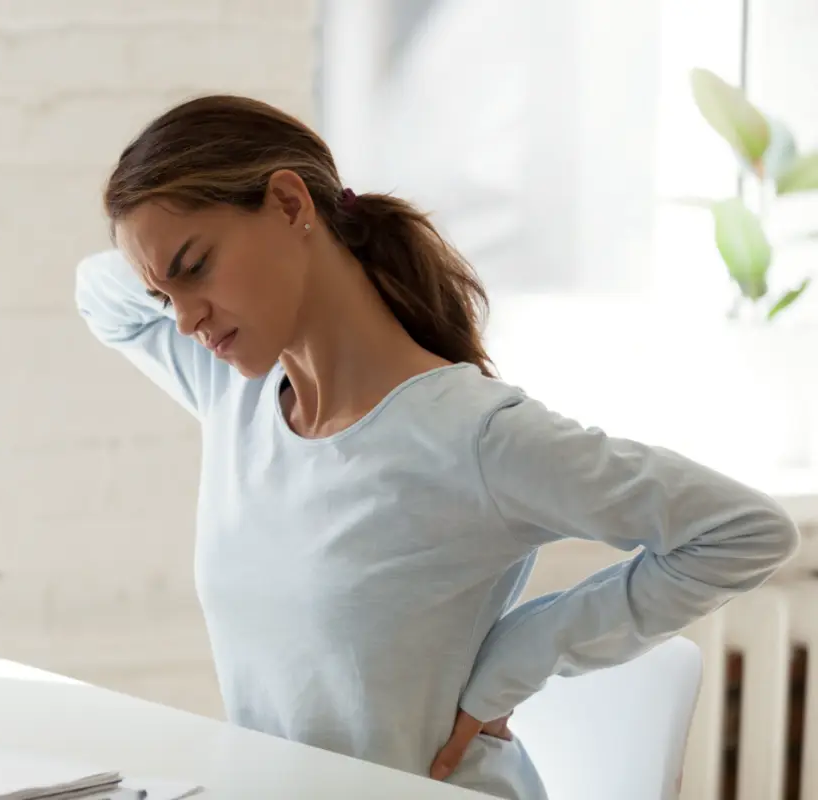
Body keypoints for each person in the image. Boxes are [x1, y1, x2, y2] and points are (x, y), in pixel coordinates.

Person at [73, 94, 800, 799]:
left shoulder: (472, 436)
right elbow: (97, 292)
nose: (186, 321)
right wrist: (166, 268)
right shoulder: (233, 388)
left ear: (291, 205)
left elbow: (742, 532)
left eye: (197, 265)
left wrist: (520, 655)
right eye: (165, 298)